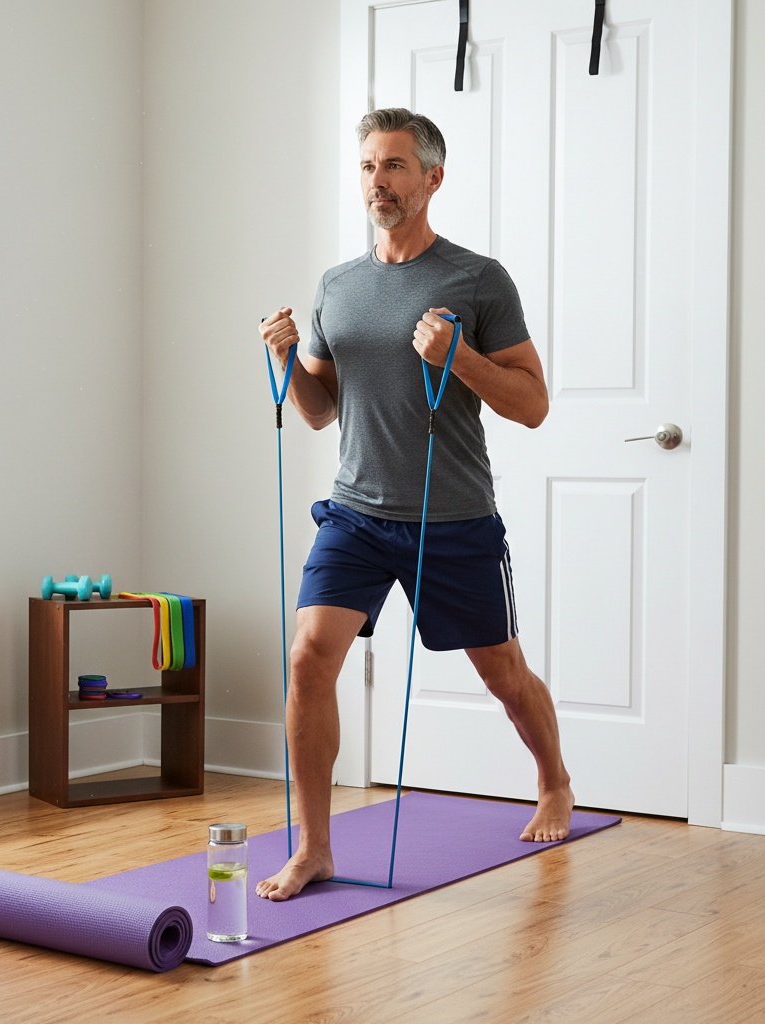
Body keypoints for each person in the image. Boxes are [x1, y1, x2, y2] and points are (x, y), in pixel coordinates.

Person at [256, 108, 574, 902]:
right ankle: (315, 847)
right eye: (369, 165)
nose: (379, 181)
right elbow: (321, 411)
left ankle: (554, 780)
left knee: (502, 672)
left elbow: (533, 405)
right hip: (355, 515)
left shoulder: (478, 279)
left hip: (454, 517)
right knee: (307, 658)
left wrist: (459, 356)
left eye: (395, 165)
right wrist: (288, 360)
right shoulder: (338, 285)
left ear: (432, 178)